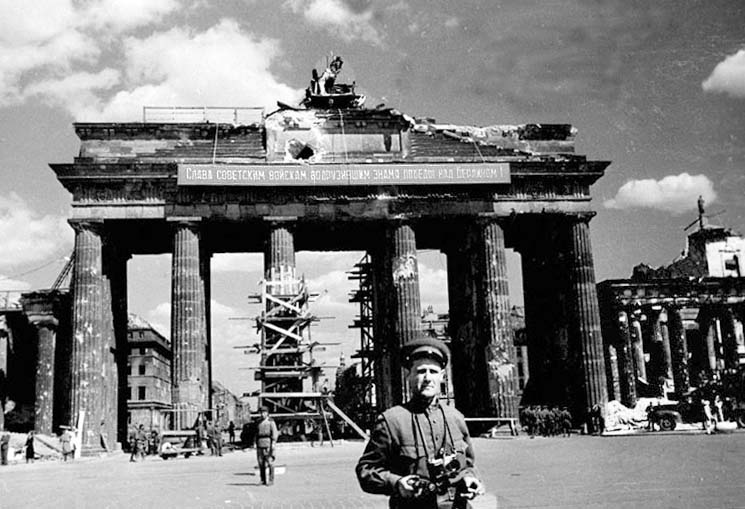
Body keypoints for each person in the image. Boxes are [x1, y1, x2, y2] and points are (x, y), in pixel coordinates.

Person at [356, 336, 485, 509]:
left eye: (433, 372)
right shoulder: (392, 421)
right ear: (409, 376)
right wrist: (397, 483)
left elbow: (468, 465)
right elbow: (366, 470)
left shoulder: (455, 418)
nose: (427, 378)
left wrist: (470, 478)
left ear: (441, 377)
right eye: (421, 371)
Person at [255, 406, 278, 486]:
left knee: (270, 462)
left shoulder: (270, 422)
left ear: (267, 413)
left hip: (268, 443)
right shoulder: (258, 422)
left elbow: (274, 433)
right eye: (261, 412)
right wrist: (255, 443)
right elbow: (256, 433)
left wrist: (273, 443)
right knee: (261, 463)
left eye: (264, 412)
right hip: (259, 443)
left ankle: (271, 480)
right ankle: (262, 480)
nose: (262, 414)